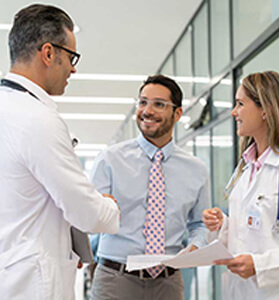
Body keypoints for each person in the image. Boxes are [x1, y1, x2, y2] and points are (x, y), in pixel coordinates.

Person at [0, 4, 120, 300]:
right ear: (49, 53)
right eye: (71, 57)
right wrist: (109, 206)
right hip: (32, 282)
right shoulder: (38, 119)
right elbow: (87, 212)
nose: (74, 68)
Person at [90, 74, 210, 300]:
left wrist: (196, 245)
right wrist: (99, 209)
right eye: (143, 102)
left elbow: (199, 223)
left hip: (168, 283)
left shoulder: (196, 169)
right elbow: (88, 219)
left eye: (159, 104)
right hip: (116, 279)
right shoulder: (110, 160)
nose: (147, 110)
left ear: (177, 114)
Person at [202, 71, 279, 300]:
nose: (233, 112)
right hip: (239, 292)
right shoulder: (244, 169)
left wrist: (260, 265)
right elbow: (247, 233)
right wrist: (222, 225)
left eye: (240, 104)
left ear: (265, 109)